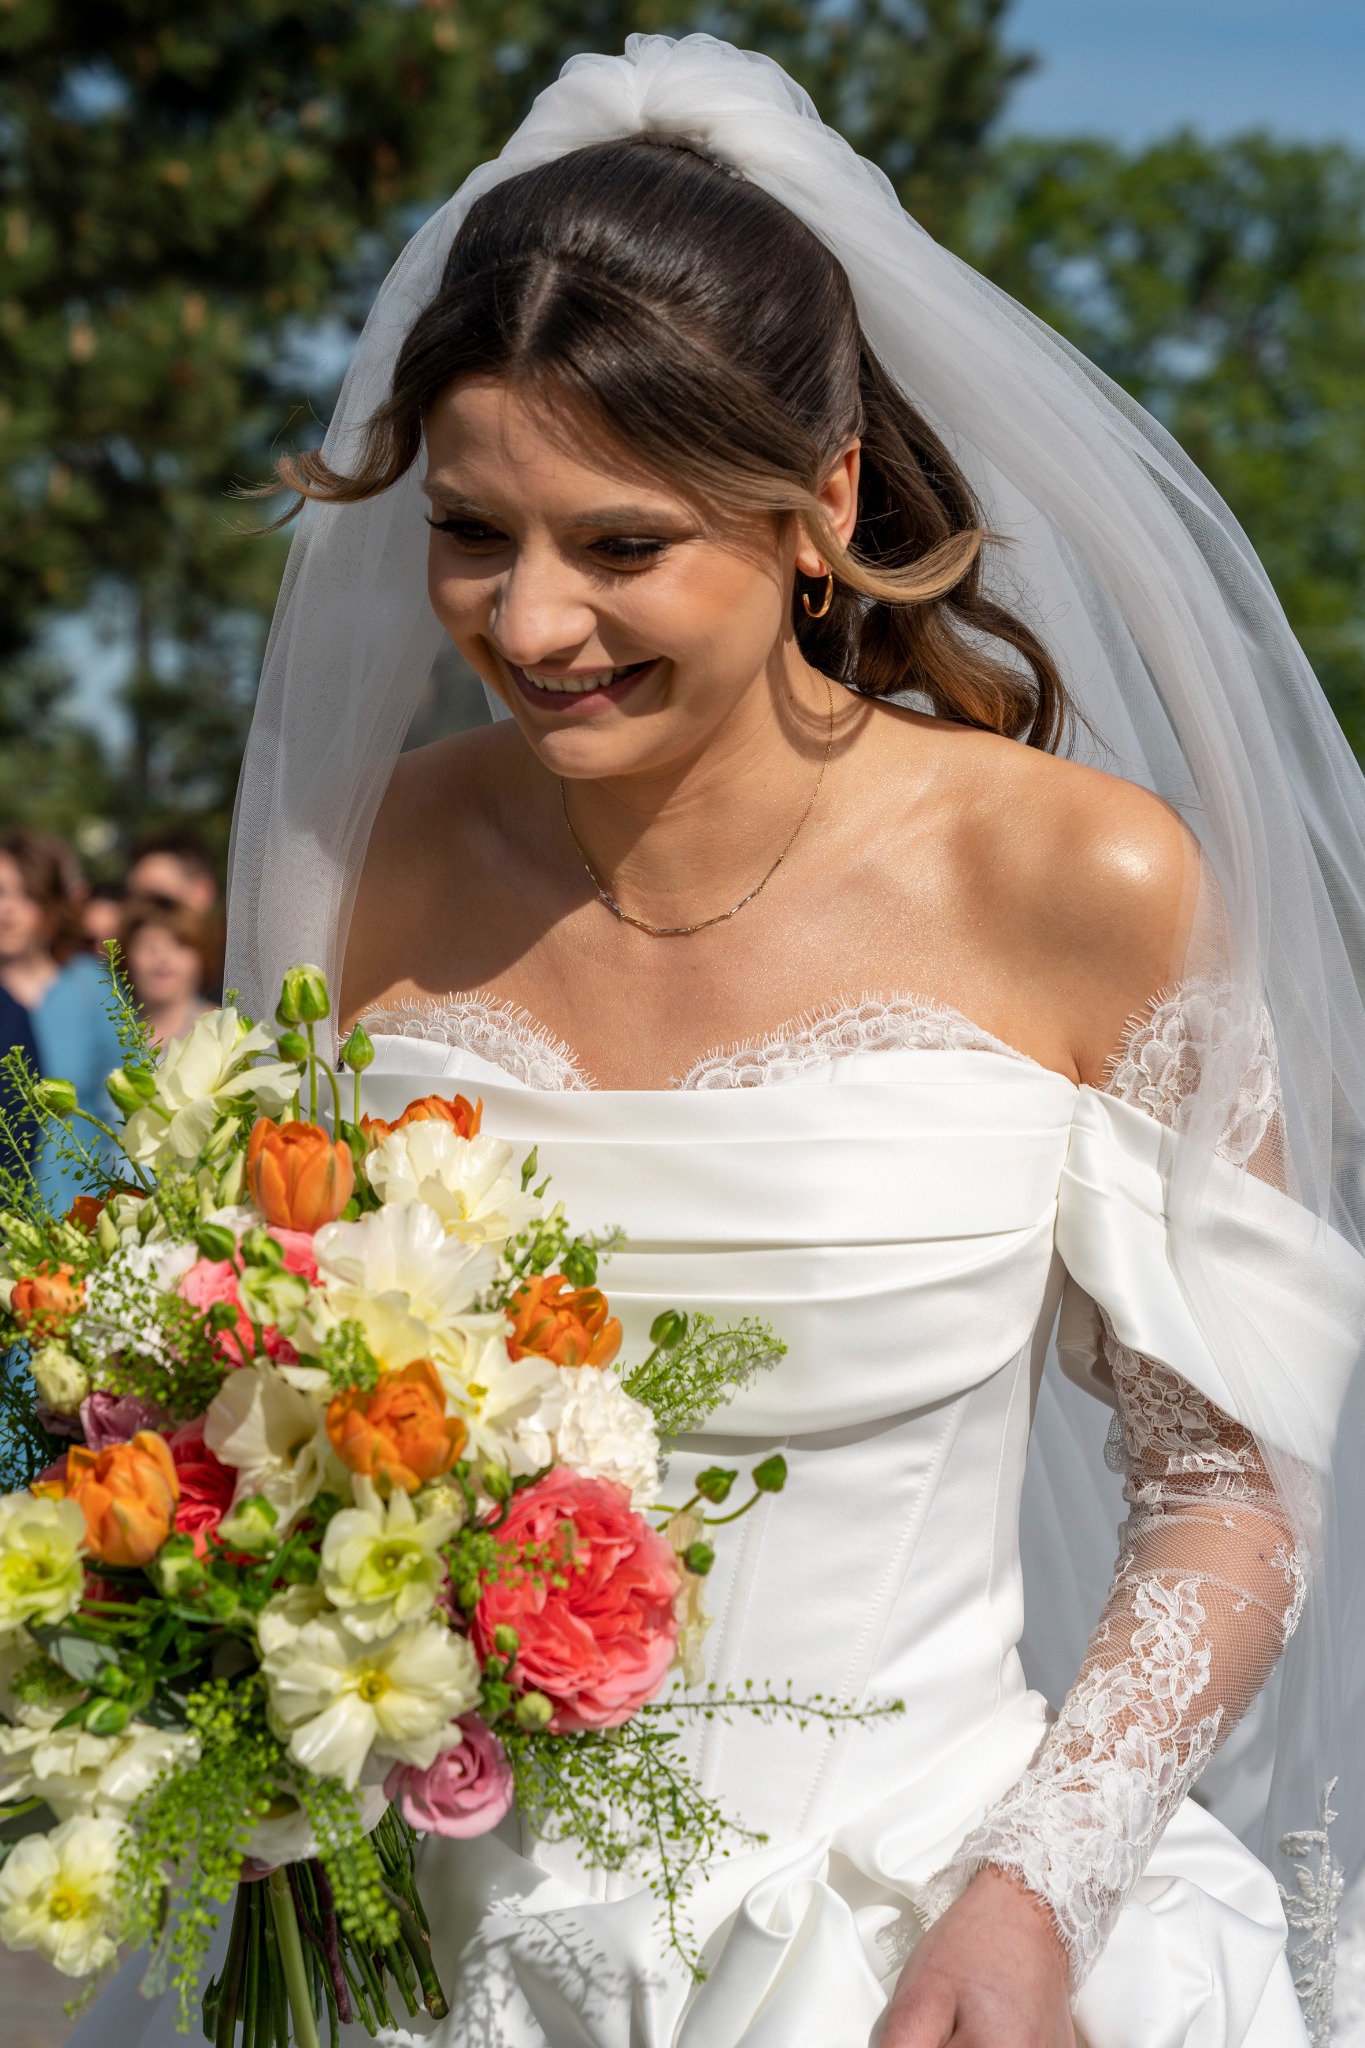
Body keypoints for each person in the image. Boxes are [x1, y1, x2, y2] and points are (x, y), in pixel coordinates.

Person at [85, 39, 1365, 2048]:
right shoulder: (371, 860)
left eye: (617, 544)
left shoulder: (1078, 882)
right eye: (472, 532)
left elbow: (1230, 1486)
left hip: (909, 1936)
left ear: (816, 503)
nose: (526, 624)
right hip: (414, 1961)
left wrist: (1037, 1885)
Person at [0, 830, 125, 1209]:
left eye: (25, 895)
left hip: (78, 1227)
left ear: (51, 901)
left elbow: (134, 1113)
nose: (7, 910)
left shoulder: (93, 988)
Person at [117, 895, 212, 1046]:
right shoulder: (110, 1031)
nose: (163, 958)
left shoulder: (220, 1029)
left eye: (179, 945)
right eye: (150, 946)